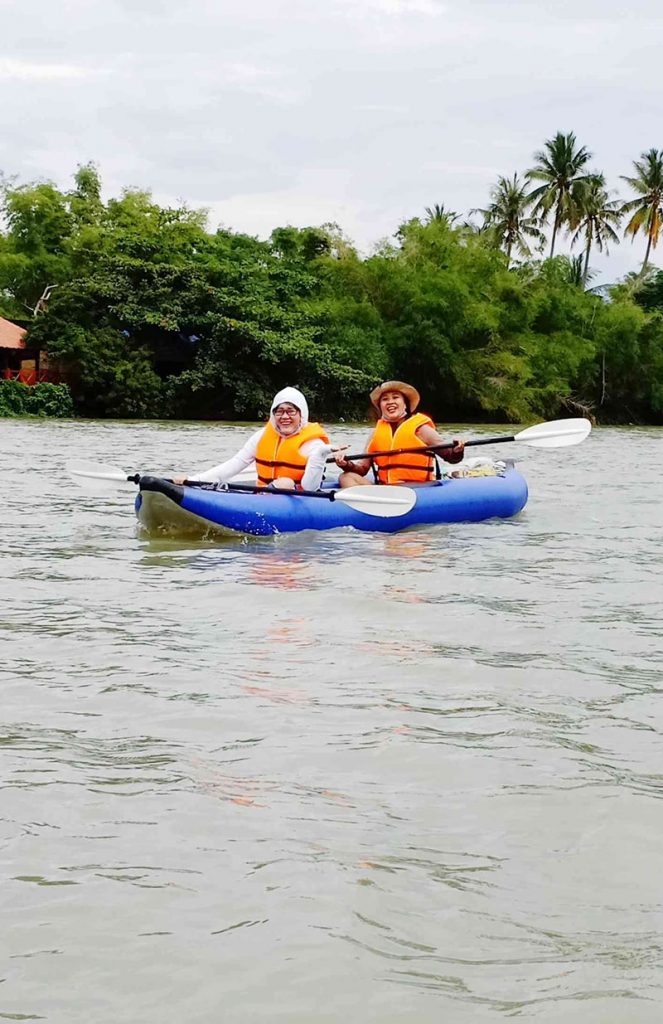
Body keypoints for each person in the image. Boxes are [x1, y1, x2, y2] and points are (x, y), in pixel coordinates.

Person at [175, 387, 331, 490]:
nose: (285, 417)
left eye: (291, 411)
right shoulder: (261, 437)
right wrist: (193, 479)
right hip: (263, 494)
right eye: (279, 411)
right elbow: (234, 465)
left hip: (299, 498)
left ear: (301, 414)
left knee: (286, 482)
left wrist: (320, 455)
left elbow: (311, 487)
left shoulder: (314, 444)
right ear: (273, 414)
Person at [334, 381, 464, 487]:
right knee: (346, 477)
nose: (390, 402)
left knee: (395, 489)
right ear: (381, 406)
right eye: (385, 399)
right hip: (387, 488)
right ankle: (364, 510)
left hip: (417, 487)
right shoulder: (376, 433)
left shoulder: (421, 428)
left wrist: (457, 450)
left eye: (395, 397)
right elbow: (362, 469)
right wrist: (346, 464)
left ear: (405, 404)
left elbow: (451, 457)